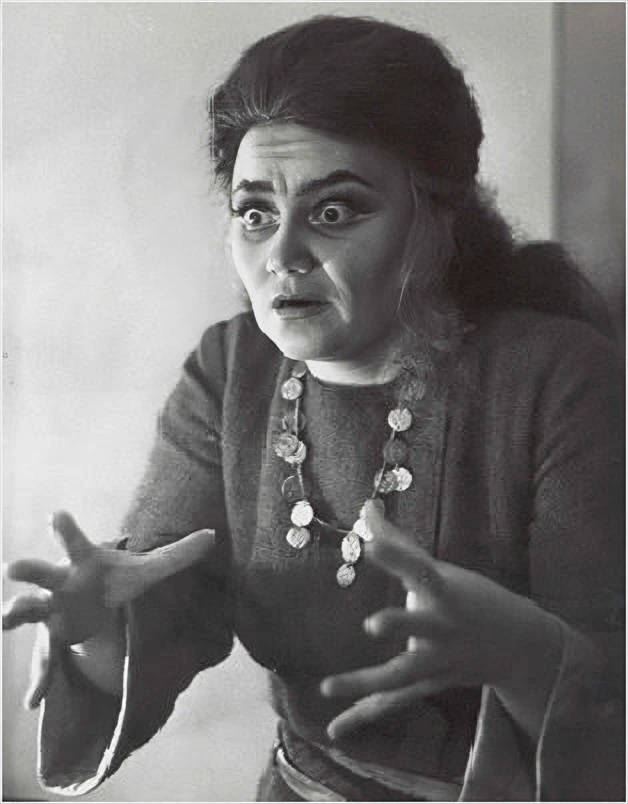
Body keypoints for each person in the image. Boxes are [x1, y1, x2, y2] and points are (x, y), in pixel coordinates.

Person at [3, 15, 624, 802]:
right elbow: (163, 617)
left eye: (333, 212)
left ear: (440, 215)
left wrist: (523, 654)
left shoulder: (558, 377)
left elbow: (613, 708)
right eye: (255, 213)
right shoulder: (230, 371)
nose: (283, 254)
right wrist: (95, 633)